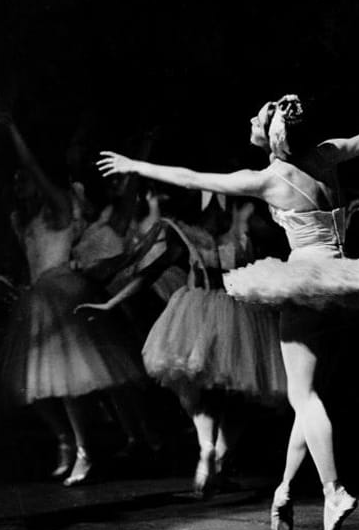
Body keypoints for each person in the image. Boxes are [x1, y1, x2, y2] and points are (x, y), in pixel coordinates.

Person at [95, 89, 359, 530]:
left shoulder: (266, 179)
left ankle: (333, 491)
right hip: (342, 278)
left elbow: (189, 177)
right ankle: (284, 493)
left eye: (257, 118)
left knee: (303, 397)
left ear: (272, 135)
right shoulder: (328, 155)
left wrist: (136, 166)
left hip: (305, 282)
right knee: (307, 398)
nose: (251, 121)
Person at [77, 193, 287, 496]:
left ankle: (212, 453)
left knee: (222, 391)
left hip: (221, 309)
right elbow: (149, 272)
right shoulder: (204, 230)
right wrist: (110, 303)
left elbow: (151, 272)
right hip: (225, 312)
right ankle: (213, 455)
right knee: (223, 389)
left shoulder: (239, 224)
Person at [0, 112, 146, 485]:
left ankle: (85, 450)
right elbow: (28, 259)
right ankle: (67, 441)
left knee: (68, 383)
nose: (20, 185)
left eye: (25, 181)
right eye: (17, 181)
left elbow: (34, 169)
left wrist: (14, 131)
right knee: (31, 385)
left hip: (63, 295)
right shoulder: (23, 219)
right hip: (38, 297)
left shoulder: (60, 209)